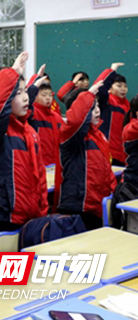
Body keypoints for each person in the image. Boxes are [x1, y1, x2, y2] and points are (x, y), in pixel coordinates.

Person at [0, 52, 48, 251]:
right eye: (18, 93)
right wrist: (13, 72)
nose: (26, 98)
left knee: (26, 280)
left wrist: (41, 212)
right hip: (2, 218)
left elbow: (39, 177)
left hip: (30, 220)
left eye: (25, 91)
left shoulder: (30, 132)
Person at [57, 79, 117, 230]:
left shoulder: (99, 136)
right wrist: (88, 94)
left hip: (96, 207)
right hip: (77, 207)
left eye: (97, 107)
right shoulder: (71, 136)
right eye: (92, 108)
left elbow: (107, 170)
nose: (97, 111)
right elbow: (76, 120)